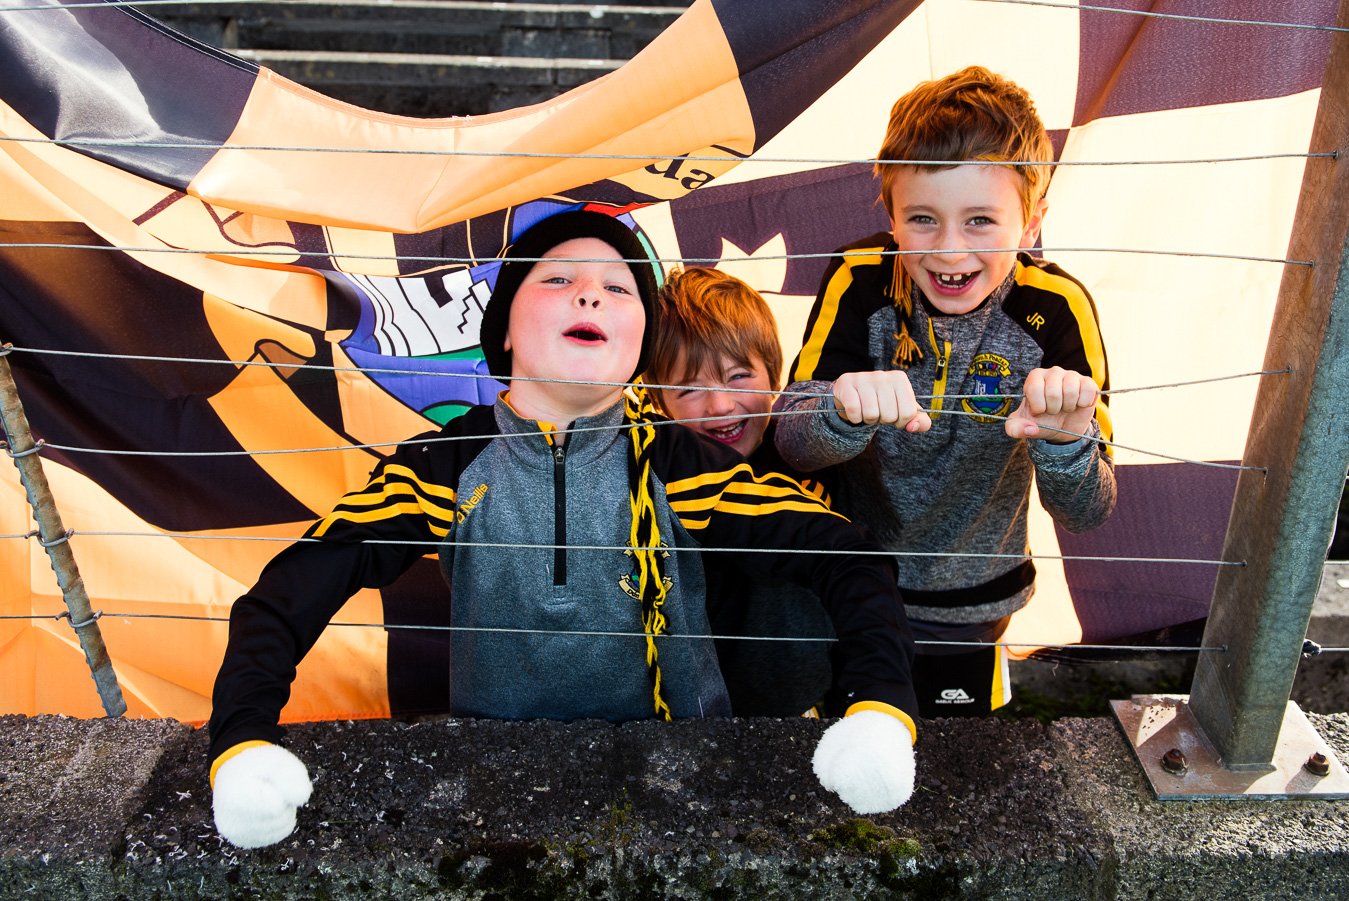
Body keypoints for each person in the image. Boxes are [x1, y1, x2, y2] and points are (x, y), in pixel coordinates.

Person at [207, 210, 922, 849]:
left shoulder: (679, 462)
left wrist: (880, 707)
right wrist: (240, 742)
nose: (590, 294)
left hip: (684, 797)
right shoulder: (443, 465)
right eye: (558, 280)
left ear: (638, 339)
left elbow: (847, 558)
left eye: (618, 289)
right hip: (497, 801)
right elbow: (290, 589)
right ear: (504, 328)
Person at [775, 67, 1118, 719]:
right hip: (851, 588)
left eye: (981, 219)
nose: (949, 249)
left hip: (976, 600)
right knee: (853, 749)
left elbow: (1089, 509)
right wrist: (841, 413)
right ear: (891, 215)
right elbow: (792, 442)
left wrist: (1066, 441)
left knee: (954, 762)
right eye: (923, 219)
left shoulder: (1059, 307)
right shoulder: (858, 279)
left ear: (1031, 220)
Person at [646, 266, 834, 717]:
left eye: (738, 377)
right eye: (688, 389)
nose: (720, 405)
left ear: (774, 375)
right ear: (658, 402)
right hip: (687, 712)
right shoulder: (653, 474)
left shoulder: (812, 449)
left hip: (805, 703)